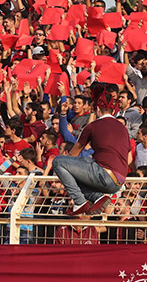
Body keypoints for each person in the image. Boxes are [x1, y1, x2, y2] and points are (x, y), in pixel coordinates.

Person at [52, 85, 130, 216]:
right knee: (76, 168)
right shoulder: (123, 128)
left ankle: (79, 201)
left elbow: (73, 154)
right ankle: (97, 198)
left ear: (97, 109)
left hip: (104, 174)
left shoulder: (92, 126)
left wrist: (62, 174)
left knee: (58, 162)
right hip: (120, 181)